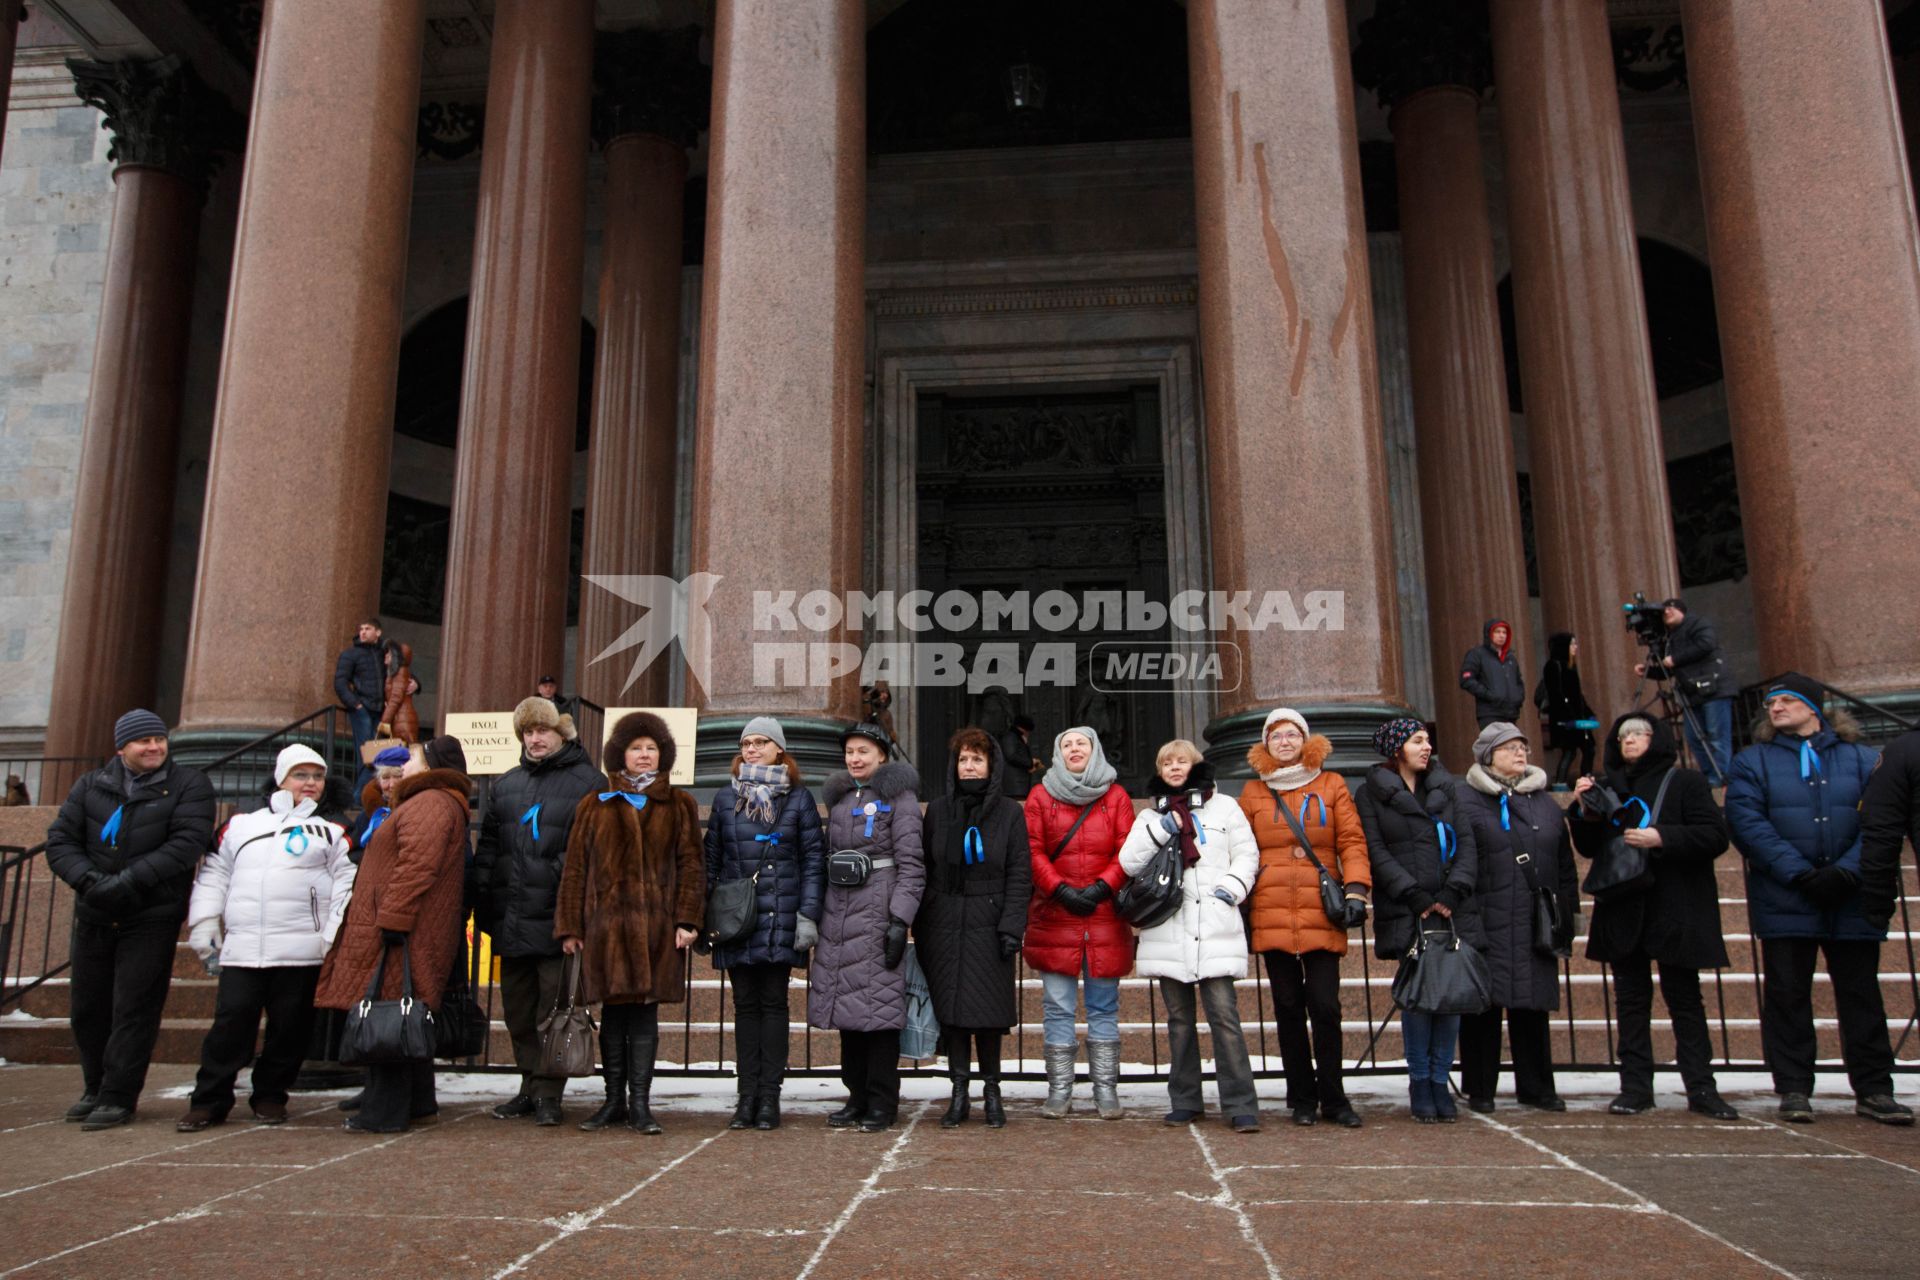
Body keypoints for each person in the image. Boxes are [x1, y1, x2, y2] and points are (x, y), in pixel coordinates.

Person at [1725, 674, 1911, 1125]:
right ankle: (1793, 1088)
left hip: (1850, 894)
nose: (1776, 708)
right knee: (1788, 995)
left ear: (1814, 708)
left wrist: (1848, 870)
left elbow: (1883, 820)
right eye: (1772, 702)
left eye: (1787, 700)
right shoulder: (1753, 762)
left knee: (1861, 994)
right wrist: (1800, 873)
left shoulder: (1865, 760)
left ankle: (1874, 1088)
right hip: (1787, 895)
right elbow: (1748, 822)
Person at [43, 709, 216, 1129]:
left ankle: (119, 1096)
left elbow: (185, 844)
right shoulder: (90, 786)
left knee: (134, 1008)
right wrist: (90, 881)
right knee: (88, 1007)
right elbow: (61, 841)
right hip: (96, 912)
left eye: (159, 739)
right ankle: (95, 1086)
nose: (155, 747)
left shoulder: (189, 786)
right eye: (144, 741)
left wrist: (127, 882)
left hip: (150, 915)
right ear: (122, 748)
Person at [176, 745, 355, 1131]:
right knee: (229, 1028)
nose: (310, 783)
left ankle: (271, 1095)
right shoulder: (240, 825)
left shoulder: (334, 829)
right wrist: (205, 921)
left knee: (289, 1031)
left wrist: (330, 933)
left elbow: (347, 882)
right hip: (243, 950)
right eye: (301, 775)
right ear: (281, 779)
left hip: (301, 950)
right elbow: (215, 875)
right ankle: (209, 1101)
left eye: (317, 776)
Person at [1571, 713, 1738, 1119]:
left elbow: (1715, 836)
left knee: (1685, 999)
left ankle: (1701, 1087)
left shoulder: (1685, 782)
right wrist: (1582, 811)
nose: (1629, 742)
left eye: (1638, 734)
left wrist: (1662, 836)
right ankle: (1635, 1088)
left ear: (1656, 739)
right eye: (1622, 736)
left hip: (1675, 903)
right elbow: (1591, 848)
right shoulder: (1607, 785)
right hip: (1624, 902)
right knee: (1630, 1001)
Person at [555, 712, 704, 1134]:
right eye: (636, 748)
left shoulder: (680, 805)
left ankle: (640, 1104)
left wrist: (687, 919)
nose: (643, 755)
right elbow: (575, 869)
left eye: (651, 748)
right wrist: (570, 926)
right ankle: (612, 1101)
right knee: (613, 1016)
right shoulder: (594, 804)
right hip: (606, 927)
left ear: (664, 756)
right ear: (620, 753)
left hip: (657, 930)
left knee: (644, 1017)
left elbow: (692, 865)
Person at [315, 735, 472, 1134]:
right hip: (406, 924)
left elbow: (417, 864)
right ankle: (418, 1103)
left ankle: (383, 1112)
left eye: (414, 758)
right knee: (407, 1011)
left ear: (432, 765)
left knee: (390, 1013)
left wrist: (394, 917)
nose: (405, 765)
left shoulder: (430, 802)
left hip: (403, 927)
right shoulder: (430, 801)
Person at [472, 697, 603, 1127]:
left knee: (553, 1012)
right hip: (512, 920)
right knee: (519, 1012)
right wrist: (487, 905)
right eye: (528, 732)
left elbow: (591, 852)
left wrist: (568, 903)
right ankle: (528, 1085)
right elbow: (490, 852)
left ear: (560, 732)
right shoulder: (506, 785)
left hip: (555, 920)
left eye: (542, 730)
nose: (535, 738)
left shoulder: (588, 782)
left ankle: (550, 1092)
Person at [1120, 740, 1261, 1132]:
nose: (1175, 767)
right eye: (1167, 762)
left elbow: (1247, 853)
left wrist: (1231, 888)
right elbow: (1128, 862)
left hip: (1214, 923)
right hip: (1169, 927)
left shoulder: (1225, 806)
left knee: (1224, 1017)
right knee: (1179, 1020)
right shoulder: (1150, 817)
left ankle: (1240, 1103)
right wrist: (1160, 831)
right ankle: (1185, 1099)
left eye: (1182, 760)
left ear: (1195, 765)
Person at [1239, 707, 1370, 1128]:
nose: (1284, 742)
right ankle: (1300, 1098)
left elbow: (1350, 840)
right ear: (1266, 744)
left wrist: (1356, 889)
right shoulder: (1253, 793)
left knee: (1326, 1007)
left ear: (1306, 740)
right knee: (1288, 1007)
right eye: (1276, 736)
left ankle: (1334, 1097)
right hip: (1272, 906)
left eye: (1292, 734)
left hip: (1320, 907)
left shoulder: (1332, 785)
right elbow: (1241, 849)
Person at [704, 717, 827, 1131]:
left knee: (773, 1005)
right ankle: (746, 1097)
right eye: (746, 744)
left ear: (779, 750)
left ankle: (769, 1097)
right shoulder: (725, 800)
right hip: (739, 919)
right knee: (744, 1007)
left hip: (781, 916)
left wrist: (808, 916)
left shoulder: (799, 799)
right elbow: (712, 860)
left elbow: (813, 862)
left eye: (761, 743)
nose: (751, 750)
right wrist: (701, 917)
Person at [1358, 716, 1481, 1123]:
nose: (1426, 747)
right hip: (1408, 908)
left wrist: (1451, 893)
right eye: (1416, 741)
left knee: (1449, 999)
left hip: (1451, 908)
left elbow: (1466, 845)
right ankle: (1420, 1081)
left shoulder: (1447, 788)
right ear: (1397, 749)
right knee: (1418, 999)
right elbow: (1375, 850)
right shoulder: (1371, 794)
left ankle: (1440, 1080)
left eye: (1428, 740)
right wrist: (1413, 894)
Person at [1453, 723, 1578, 1114]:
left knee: (1532, 1006)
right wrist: (1466, 920)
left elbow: (1564, 864)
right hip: (1485, 917)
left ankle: (1537, 1086)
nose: (1520, 754)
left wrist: (1568, 916)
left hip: (1533, 919)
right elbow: (1458, 861)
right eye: (1509, 749)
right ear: (1488, 755)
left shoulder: (1542, 801)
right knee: (1482, 1009)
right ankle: (1480, 1088)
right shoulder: (1467, 799)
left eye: (1522, 747)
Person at [812, 722, 925, 1133]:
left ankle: (881, 1101)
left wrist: (900, 920)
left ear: (882, 756)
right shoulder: (842, 801)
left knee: (879, 1013)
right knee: (849, 1012)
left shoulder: (901, 799)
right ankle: (855, 1096)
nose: (855, 759)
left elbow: (912, 867)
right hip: (840, 912)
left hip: (878, 912)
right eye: (850, 752)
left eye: (863, 752)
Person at [916, 727, 1030, 1128]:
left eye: (977, 759)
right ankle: (959, 1091)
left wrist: (1011, 926)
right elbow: (926, 868)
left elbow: (1019, 872)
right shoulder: (940, 810)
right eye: (963, 759)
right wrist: (922, 920)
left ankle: (992, 1090)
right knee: (954, 1016)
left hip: (989, 921)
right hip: (943, 922)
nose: (969, 766)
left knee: (988, 1014)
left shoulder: (1010, 813)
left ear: (991, 765)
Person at [1023, 725, 1135, 1119]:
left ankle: (1106, 1091)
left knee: (1104, 1007)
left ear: (1094, 750)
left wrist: (1103, 887)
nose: (1074, 749)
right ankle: (1059, 1090)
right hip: (1057, 914)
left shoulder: (1116, 796)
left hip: (1103, 916)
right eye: (1066, 744)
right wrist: (1060, 889)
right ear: (1057, 753)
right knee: (1057, 1007)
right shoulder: (1040, 795)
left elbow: (1128, 849)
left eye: (1081, 744)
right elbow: (1032, 850)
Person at [1634, 598, 1732, 786]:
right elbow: (1669, 669)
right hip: (1692, 693)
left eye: (1672, 608)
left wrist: (1676, 658)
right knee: (1694, 738)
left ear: (1683, 611)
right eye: (1664, 611)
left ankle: (1722, 778)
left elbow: (1706, 644)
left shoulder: (1697, 623)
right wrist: (1650, 672)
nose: (1667, 612)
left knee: (1716, 735)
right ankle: (1710, 776)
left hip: (1714, 689)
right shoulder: (1670, 638)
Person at [1859, 727, 1920, 935]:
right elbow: (1882, 829)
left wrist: (1877, 899)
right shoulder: (1904, 751)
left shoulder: (1902, 750)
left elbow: (1881, 829)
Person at [1533, 632, 1596, 788]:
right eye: (1572, 644)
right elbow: (1556, 695)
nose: (1575, 647)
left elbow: (1577, 696)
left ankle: (1585, 779)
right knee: (1570, 751)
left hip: (1577, 719)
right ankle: (1560, 783)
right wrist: (1569, 718)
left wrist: (1589, 714)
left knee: (1588, 748)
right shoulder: (1553, 666)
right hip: (1565, 720)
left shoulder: (1570, 666)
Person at [333, 618, 388, 788]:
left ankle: (368, 791)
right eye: (361, 629)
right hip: (362, 708)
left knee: (377, 752)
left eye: (368, 628)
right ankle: (361, 794)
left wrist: (415, 682)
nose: (363, 632)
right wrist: (355, 704)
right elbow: (340, 682)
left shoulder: (384, 654)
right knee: (367, 751)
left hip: (381, 710)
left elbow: (399, 670)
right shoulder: (351, 654)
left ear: (378, 632)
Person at [1459, 619, 1525, 730]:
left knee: (1511, 745)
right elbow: (1466, 679)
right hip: (1489, 713)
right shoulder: (1477, 654)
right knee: (1495, 746)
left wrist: (1518, 698)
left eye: (1504, 632)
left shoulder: (1510, 658)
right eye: (1497, 632)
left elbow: (1518, 681)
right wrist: (1489, 695)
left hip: (1511, 713)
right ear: (1489, 634)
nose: (1501, 635)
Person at [352, 744, 413, 852]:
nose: (392, 785)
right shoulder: (365, 818)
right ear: (378, 781)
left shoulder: (416, 812)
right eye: (385, 778)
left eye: (398, 776)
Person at [377, 642, 421, 744]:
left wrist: (384, 721)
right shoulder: (394, 673)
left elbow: (396, 698)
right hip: (400, 717)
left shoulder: (400, 672)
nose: (386, 655)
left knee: (407, 751)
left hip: (402, 718)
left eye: (390, 653)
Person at [1000, 714, 1038, 801]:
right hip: (1014, 788)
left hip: (1018, 787)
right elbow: (1011, 756)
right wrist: (1030, 762)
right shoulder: (1011, 737)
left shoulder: (1014, 737)